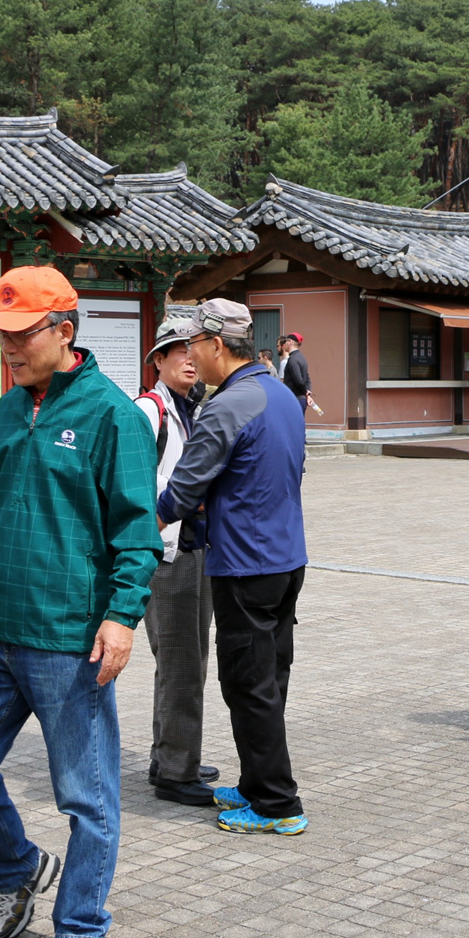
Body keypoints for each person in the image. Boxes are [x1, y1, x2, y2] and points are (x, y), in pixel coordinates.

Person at [0, 265, 161, 938]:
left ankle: (83, 928)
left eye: (22, 335)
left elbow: (138, 531)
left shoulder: (113, 416)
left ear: (64, 331)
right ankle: (19, 869)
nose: (8, 349)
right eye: (1, 337)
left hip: (69, 637)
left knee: (86, 796)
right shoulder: (7, 409)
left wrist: (122, 616)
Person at [158, 298, 311, 835]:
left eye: (195, 345)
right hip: (287, 558)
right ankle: (254, 782)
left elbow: (180, 493)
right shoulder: (282, 394)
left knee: (248, 684)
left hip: (246, 565)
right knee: (269, 679)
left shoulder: (226, 405)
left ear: (217, 345)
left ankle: (276, 804)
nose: (191, 356)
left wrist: (135, 528)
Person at [136, 316, 222, 806]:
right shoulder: (149, 411)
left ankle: (170, 754)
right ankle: (175, 772)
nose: (190, 360)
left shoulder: (190, 408)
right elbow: (131, 482)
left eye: (194, 351)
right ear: (159, 361)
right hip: (166, 555)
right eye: (178, 352)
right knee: (181, 664)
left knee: (187, 661)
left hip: (194, 549)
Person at [280, 331, 311, 408]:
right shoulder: (302, 358)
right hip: (301, 399)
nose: (284, 344)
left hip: (294, 399)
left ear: (291, 342)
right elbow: (307, 378)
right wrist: (307, 392)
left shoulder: (292, 359)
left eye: (285, 341)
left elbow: (298, 380)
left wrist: (305, 392)